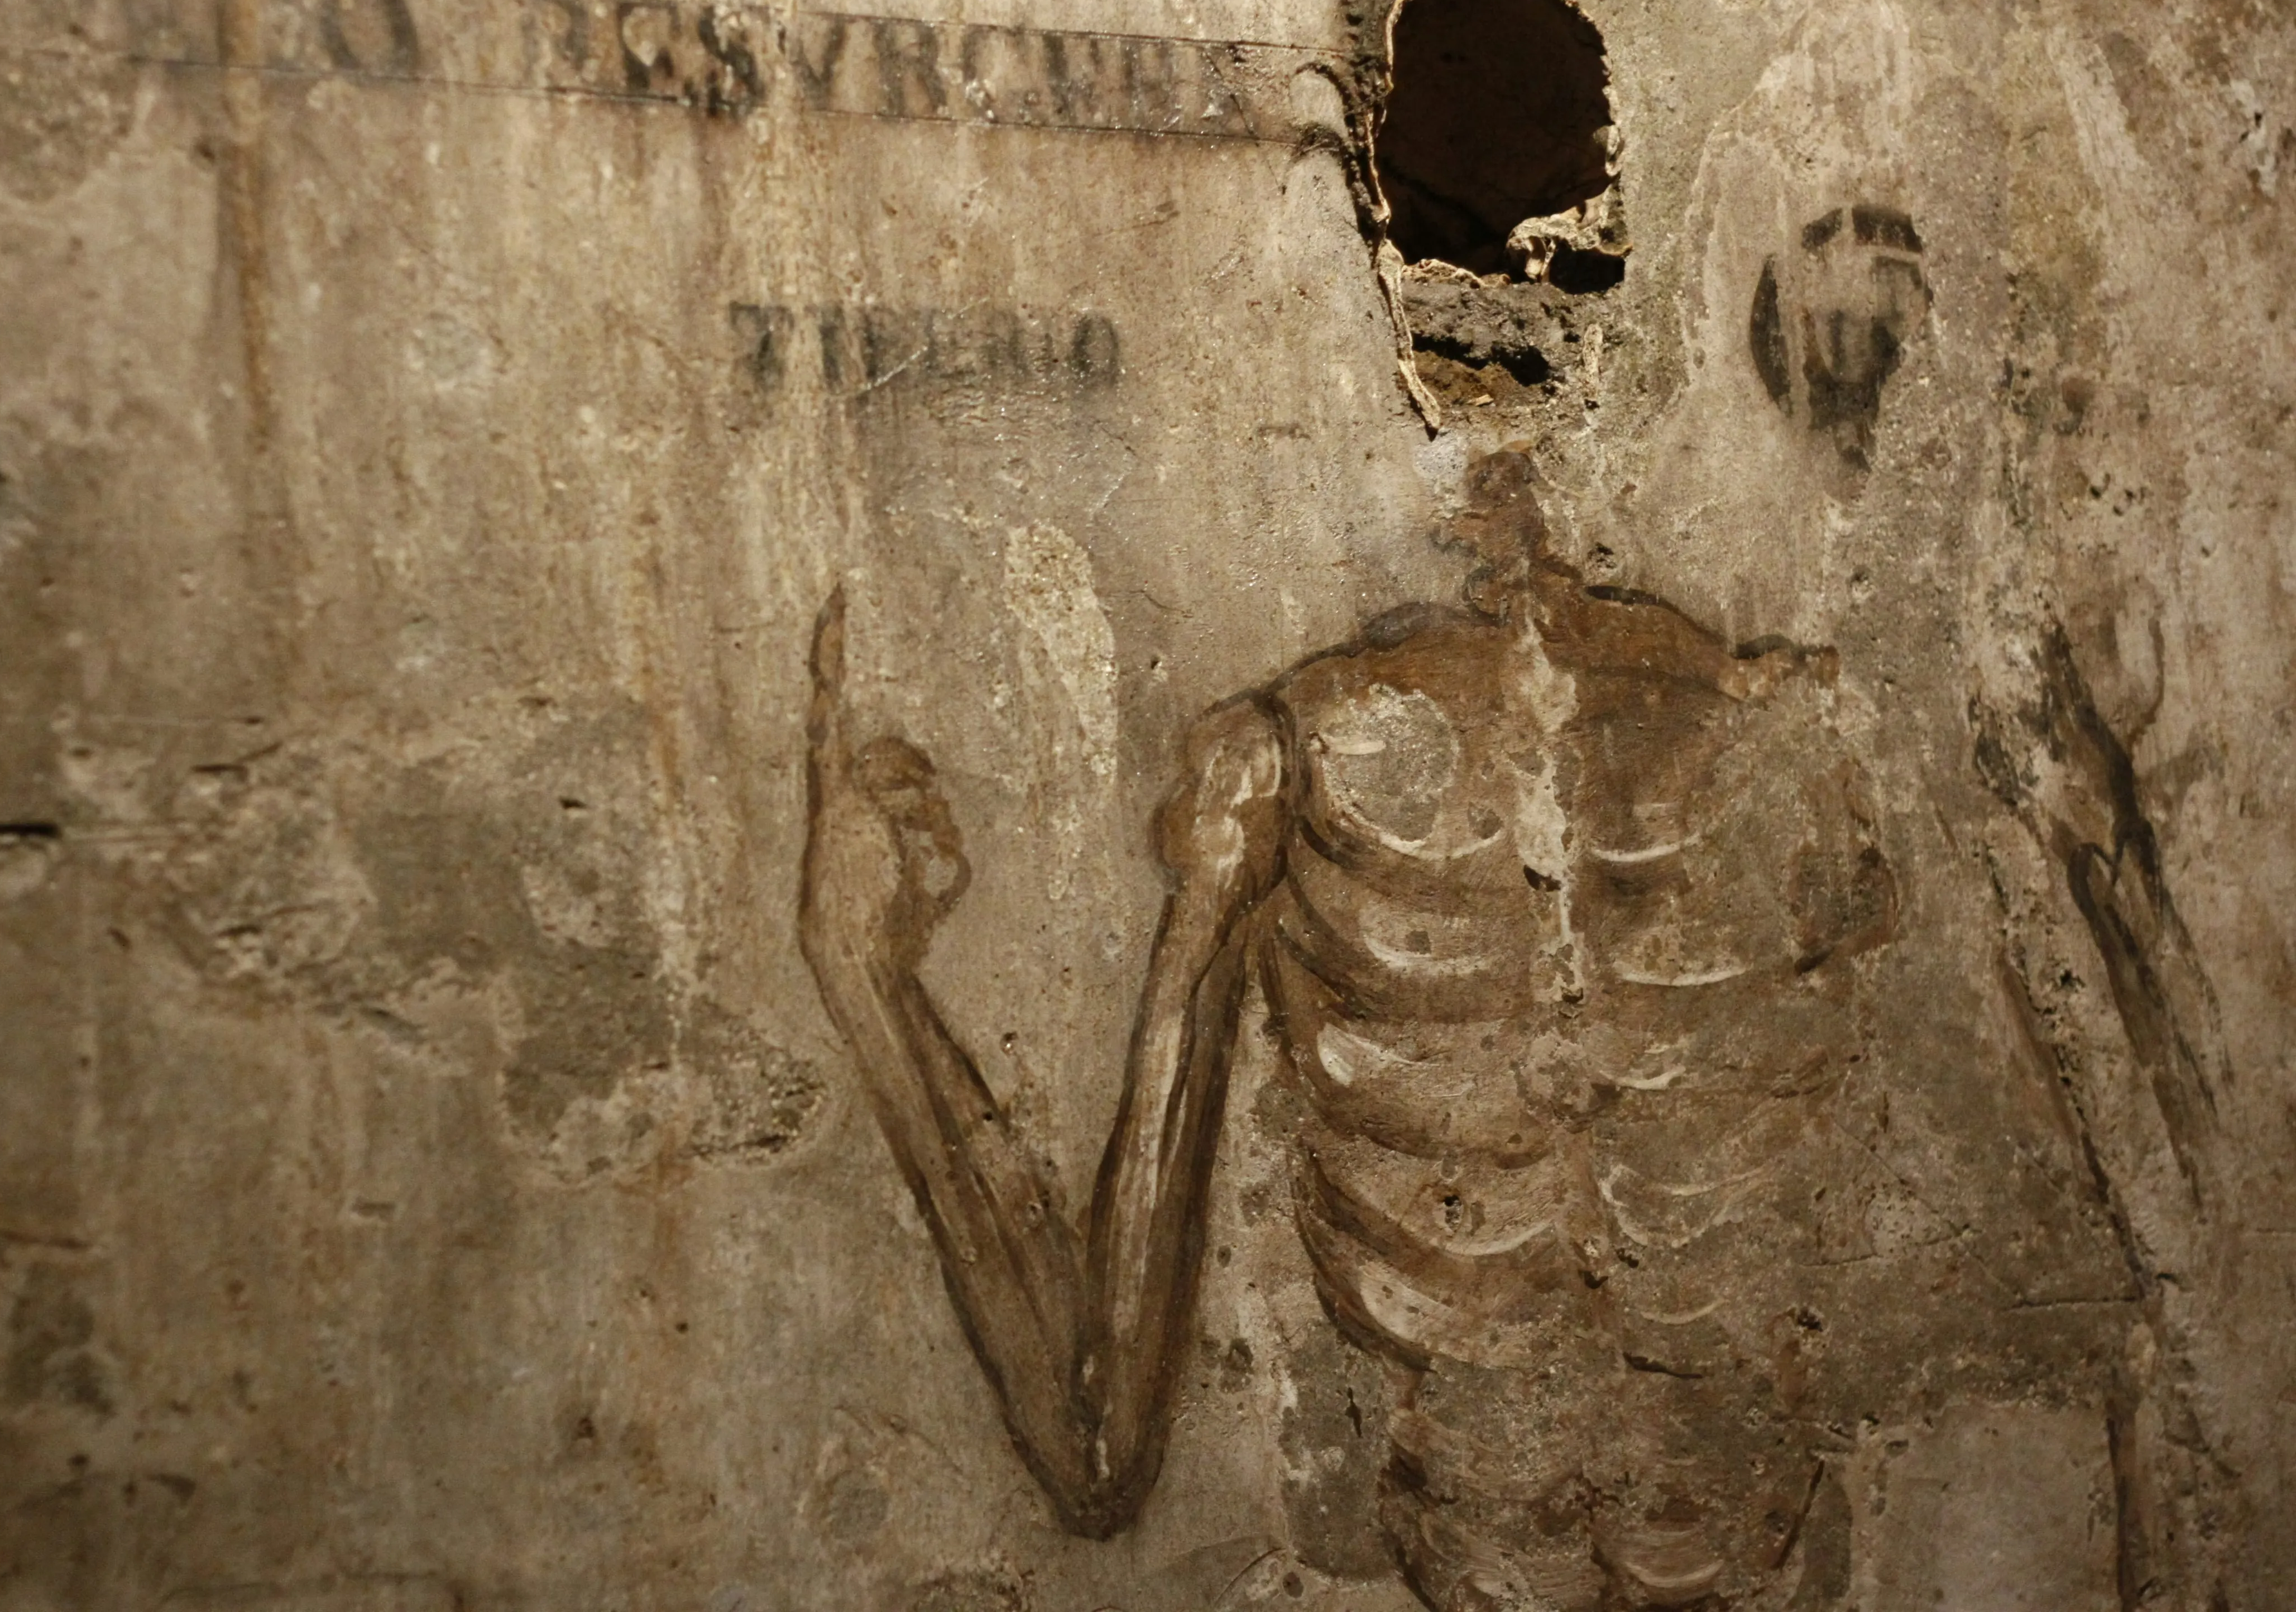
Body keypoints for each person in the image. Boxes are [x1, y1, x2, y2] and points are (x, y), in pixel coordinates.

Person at [797, 446, 1897, 1610]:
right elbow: (1097, 1453)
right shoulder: (1763, 716)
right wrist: (859, 971)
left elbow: (1098, 1454)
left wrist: (863, 973)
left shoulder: (1293, 753)